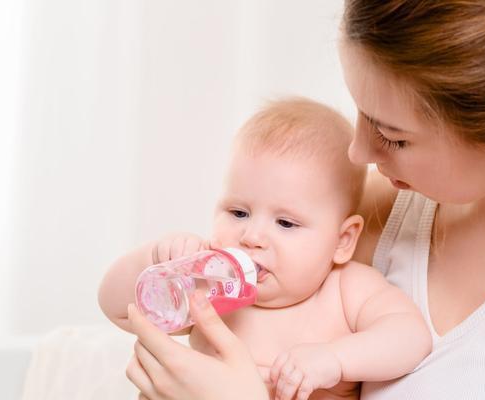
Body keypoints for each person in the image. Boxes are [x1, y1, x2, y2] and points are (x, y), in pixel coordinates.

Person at [117, 1, 485, 398]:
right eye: (360, 112)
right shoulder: (373, 211)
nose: (357, 153)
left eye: (393, 137)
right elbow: (131, 301)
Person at [98, 98, 432, 400]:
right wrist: (158, 260)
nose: (252, 236)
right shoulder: (210, 284)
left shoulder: (346, 290)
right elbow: (116, 305)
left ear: (342, 241)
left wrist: (336, 359)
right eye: (238, 213)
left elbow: (411, 337)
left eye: (286, 223)